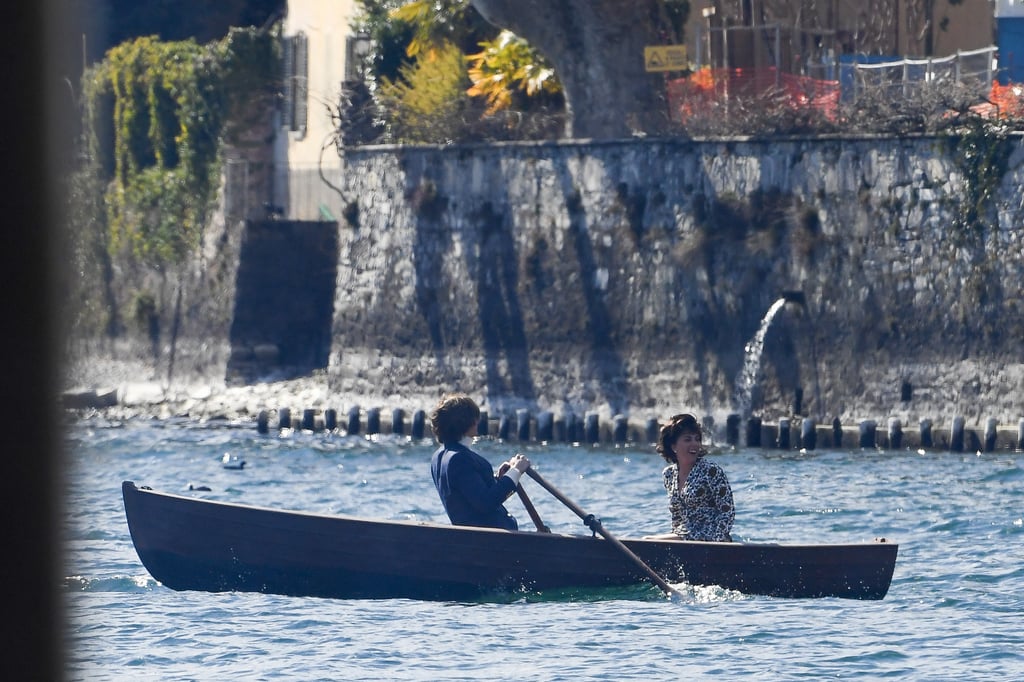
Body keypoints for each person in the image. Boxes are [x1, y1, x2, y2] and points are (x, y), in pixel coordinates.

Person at [429, 394, 531, 530]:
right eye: (475, 418)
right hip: (490, 540)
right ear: (466, 422)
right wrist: (516, 472)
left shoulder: (438, 457)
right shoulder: (459, 459)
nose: (478, 422)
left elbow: (469, 494)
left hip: (474, 538)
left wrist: (499, 479)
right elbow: (486, 503)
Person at [648, 413, 734, 541]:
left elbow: (728, 512)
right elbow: (677, 517)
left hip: (710, 538)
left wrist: (715, 544)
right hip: (684, 538)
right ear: (673, 446)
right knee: (648, 541)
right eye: (688, 439)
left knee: (650, 541)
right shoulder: (669, 475)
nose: (694, 444)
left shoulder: (711, 471)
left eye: (697, 439)